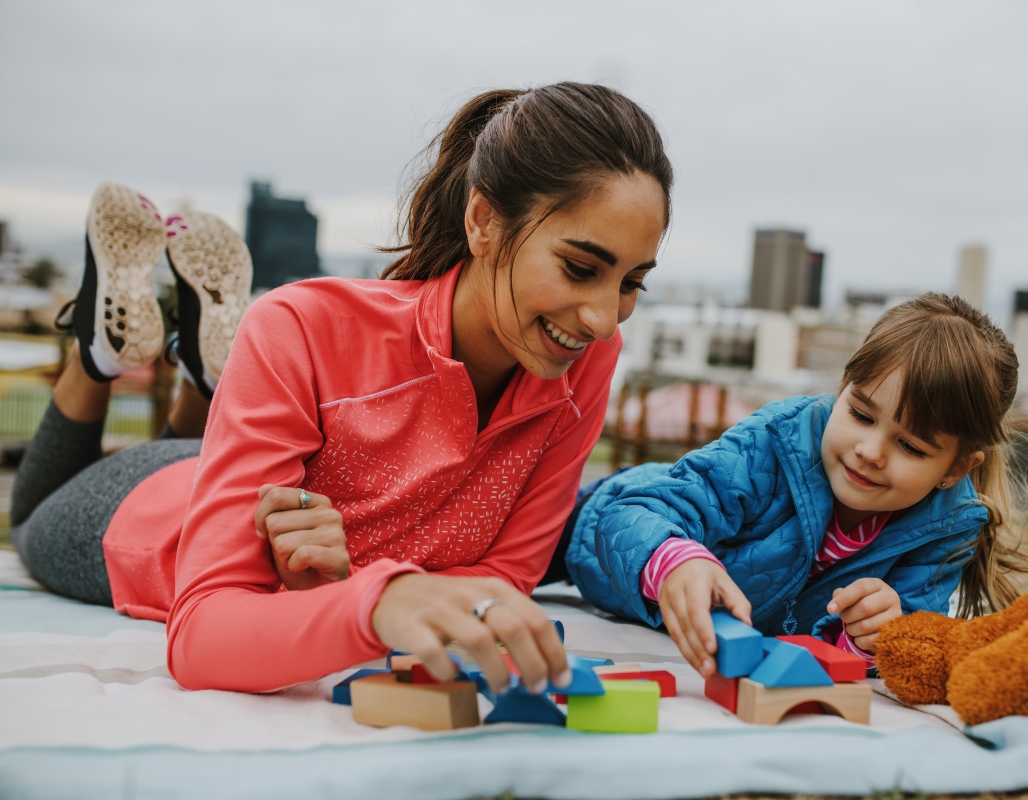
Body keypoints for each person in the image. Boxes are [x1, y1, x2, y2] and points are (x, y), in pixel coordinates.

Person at [10, 82, 674, 696]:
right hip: (149, 515)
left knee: (228, 467)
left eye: (630, 283)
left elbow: (501, 585)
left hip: (240, 479)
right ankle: (97, 359)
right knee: (28, 518)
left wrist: (349, 583)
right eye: (579, 267)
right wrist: (375, 601)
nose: (602, 316)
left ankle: (201, 380)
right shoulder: (303, 325)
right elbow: (203, 635)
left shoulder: (584, 357)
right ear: (484, 221)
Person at [563, 294, 1028, 678]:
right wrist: (675, 561)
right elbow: (629, 516)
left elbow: (904, 645)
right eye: (860, 414)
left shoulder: (947, 529)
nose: (870, 450)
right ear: (842, 389)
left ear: (956, 468)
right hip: (586, 526)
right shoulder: (774, 444)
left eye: (912, 448)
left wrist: (875, 637)